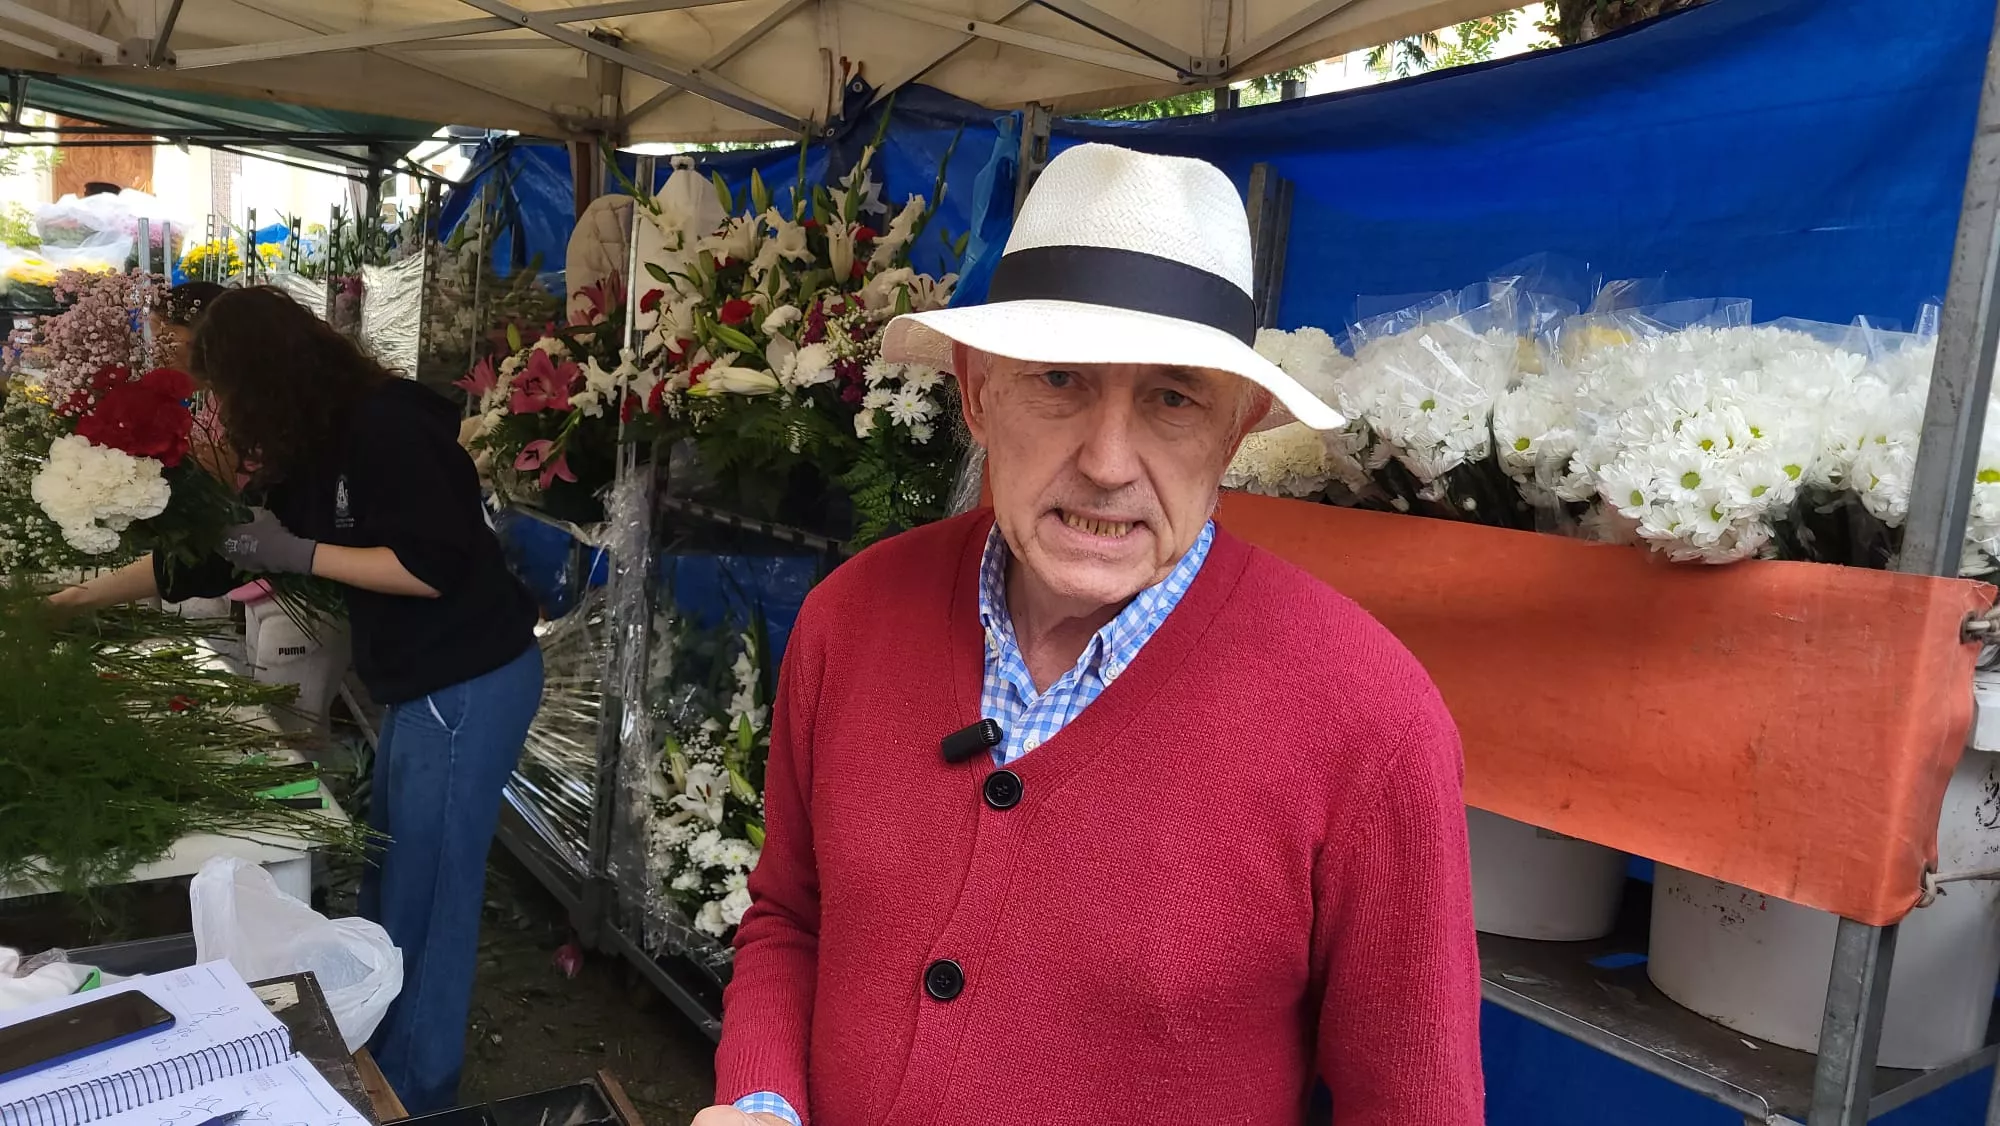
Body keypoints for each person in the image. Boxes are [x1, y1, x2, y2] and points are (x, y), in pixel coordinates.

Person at [695, 144, 1483, 1126]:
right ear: (977, 393)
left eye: (1171, 397)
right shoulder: (848, 618)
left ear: (1234, 430)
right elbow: (788, 917)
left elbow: (1414, 1106)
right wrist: (762, 1099)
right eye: (1060, 380)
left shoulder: (1368, 721)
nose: (1108, 463)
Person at [50, 286, 544, 1115]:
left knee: (431, 897)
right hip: (419, 687)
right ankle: (380, 1057)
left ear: (268, 373)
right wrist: (75, 600)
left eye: (223, 390)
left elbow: (431, 566)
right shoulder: (312, 445)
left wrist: (302, 551)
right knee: (391, 879)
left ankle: (416, 1093)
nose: (219, 409)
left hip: (466, 682)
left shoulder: (389, 423)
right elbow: (205, 563)